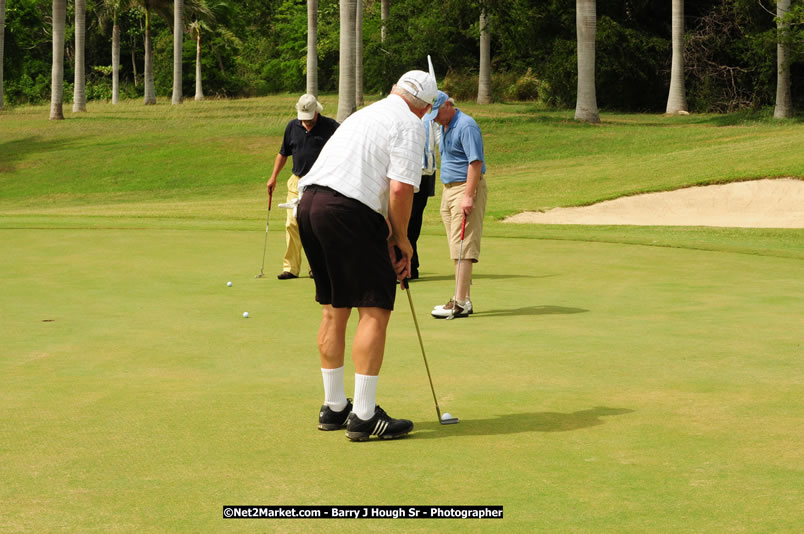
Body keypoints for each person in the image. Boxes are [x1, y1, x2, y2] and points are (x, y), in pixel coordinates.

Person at [296, 69, 437, 442]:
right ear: (424, 107)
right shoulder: (410, 123)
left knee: (334, 307)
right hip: (347, 209)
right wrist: (402, 240)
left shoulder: (365, 113)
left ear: (395, 90)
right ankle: (363, 415)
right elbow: (402, 188)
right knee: (374, 308)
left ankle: (334, 407)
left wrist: (389, 235)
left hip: (309, 205)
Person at [266, 94, 339, 280]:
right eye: (303, 118)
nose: (305, 122)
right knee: (292, 223)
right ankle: (291, 268)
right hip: (296, 181)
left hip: (321, 183)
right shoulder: (292, 126)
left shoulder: (331, 127)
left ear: (317, 112)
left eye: (309, 118)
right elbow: (283, 153)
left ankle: (317, 267)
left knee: (316, 225)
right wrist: (273, 177)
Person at [428, 92, 487, 319]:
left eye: (437, 113)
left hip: (465, 188)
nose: (435, 119)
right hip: (449, 190)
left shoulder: (466, 126)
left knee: (463, 246)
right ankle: (464, 299)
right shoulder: (445, 125)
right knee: (456, 246)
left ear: (447, 105)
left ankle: (459, 302)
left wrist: (469, 196)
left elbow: (475, 162)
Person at [407, 92, 444, 280]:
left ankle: (411, 265)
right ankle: (407, 264)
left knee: (413, 221)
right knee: (403, 220)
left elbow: (440, 142)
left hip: (425, 174)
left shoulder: (431, 120)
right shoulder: (403, 117)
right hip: (406, 173)